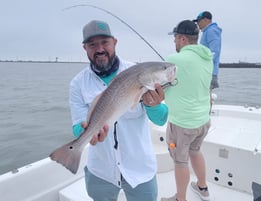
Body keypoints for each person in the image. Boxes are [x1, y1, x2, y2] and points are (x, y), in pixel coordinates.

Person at [69, 19, 169, 201]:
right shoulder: (78, 83)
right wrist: (87, 133)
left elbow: (161, 119)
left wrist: (152, 105)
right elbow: (77, 126)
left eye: (104, 42)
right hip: (101, 171)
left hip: (139, 170)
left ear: (114, 42)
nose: (99, 49)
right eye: (92, 44)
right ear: (85, 48)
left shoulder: (139, 73)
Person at [161, 20, 213, 201]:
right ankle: (202, 187)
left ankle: (180, 199)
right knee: (196, 151)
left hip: (182, 125)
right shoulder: (207, 58)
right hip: (203, 121)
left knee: (180, 162)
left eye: (175, 38)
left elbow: (161, 88)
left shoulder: (174, 60)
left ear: (182, 39)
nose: (174, 42)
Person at [193, 11, 222, 90]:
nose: (198, 23)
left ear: (206, 20)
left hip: (208, 72)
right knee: (205, 95)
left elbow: (214, 52)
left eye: (199, 21)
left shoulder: (211, 31)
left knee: (205, 95)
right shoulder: (208, 31)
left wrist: (204, 65)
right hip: (206, 71)